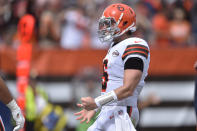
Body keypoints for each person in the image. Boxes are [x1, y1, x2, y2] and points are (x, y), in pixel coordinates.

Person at [74, 3, 150, 131]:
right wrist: (98, 107)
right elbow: (113, 86)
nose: (105, 27)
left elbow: (128, 89)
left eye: (110, 23)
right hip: (110, 111)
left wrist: (96, 102)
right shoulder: (115, 46)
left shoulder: (135, 44)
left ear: (124, 23)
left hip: (122, 114)